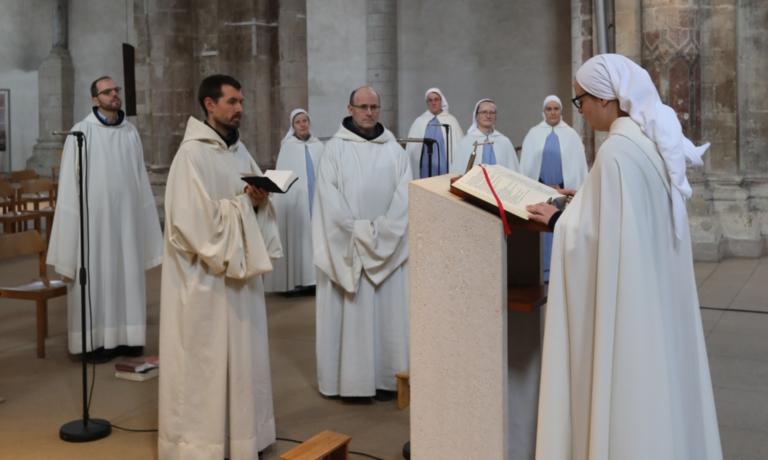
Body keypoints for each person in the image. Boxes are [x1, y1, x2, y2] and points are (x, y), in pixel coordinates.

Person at [527, 54, 722, 460]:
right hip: (655, 295)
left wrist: (561, 220)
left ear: (603, 98)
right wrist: (585, 199)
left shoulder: (617, 150)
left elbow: (596, 238)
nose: (580, 112)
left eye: (580, 101)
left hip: (633, 306)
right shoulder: (648, 137)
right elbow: (628, 215)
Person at [158, 74, 281, 459]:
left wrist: (259, 202)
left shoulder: (240, 153)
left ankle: (242, 438)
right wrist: (244, 205)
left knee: (243, 362)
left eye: (241, 101)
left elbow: (250, 207)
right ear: (209, 105)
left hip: (239, 281)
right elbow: (191, 224)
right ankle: (201, 446)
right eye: (232, 101)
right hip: (204, 282)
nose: (239, 108)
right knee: (205, 364)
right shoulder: (191, 155)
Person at [47, 75, 163, 360]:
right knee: (96, 277)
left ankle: (128, 338)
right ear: (94, 98)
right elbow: (69, 186)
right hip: (93, 225)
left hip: (125, 223)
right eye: (107, 91)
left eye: (116, 90)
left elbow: (139, 179)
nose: (114, 95)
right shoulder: (81, 133)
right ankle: (92, 343)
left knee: (126, 275)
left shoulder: (130, 133)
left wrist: (144, 223)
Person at [313, 85, 411, 398]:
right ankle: (350, 383)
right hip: (349, 249)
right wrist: (361, 234)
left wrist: (380, 233)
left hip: (385, 248)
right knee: (352, 314)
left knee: (387, 317)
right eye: (363, 107)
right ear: (350, 108)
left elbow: (405, 199)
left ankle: (387, 378)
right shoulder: (334, 149)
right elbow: (329, 202)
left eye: (374, 107)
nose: (369, 113)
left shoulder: (394, 150)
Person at [520, 95, 587, 282]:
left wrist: (566, 188)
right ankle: (542, 272)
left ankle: (561, 273)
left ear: (561, 111)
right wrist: (541, 186)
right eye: (549, 109)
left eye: (556, 108)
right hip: (539, 192)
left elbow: (579, 168)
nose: (552, 112)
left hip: (564, 195)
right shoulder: (533, 134)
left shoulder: (571, 135)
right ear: (543, 112)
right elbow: (526, 167)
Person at [263, 109, 323, 293]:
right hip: (296, 204)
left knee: (316, 239)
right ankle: (296, 281)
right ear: (293, 125)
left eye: (305, 120)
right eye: (298, 122)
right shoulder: (287, 147)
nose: (303, 124)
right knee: (299, 239)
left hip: (316, 201)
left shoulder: (319, 146)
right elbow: (283, 177)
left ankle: (315, 279)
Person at [405, 88, 464, 178]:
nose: (433, 103)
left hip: (445, 167)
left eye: (436, 99)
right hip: (425, 167)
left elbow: (458, 146)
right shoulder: (419, 121)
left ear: (441, 101)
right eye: (430, 100)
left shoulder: (451, 120)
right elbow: (411, 149)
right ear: (427, 103)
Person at [451, 98, 519, 174]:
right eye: (484, 112)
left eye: (492, 113)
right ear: (476, 116)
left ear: (495, 117)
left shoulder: (504, 142)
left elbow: (513, 172)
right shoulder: (466, 142)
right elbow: (458, 172)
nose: (488, 116)